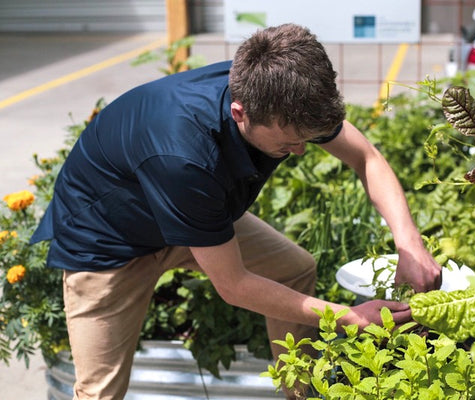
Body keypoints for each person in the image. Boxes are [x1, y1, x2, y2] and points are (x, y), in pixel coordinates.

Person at [31, 23, 441, 400]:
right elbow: (234, 285)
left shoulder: (284, 89)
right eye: (290, 142)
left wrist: (409, 245)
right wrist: (348, 316)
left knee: (294, 268)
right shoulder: (185, 155)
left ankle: (297, 391)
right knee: (99, 391)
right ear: (240, 112)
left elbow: (366, 157)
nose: (300, 151)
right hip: (108, 242)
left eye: (308, 139)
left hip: (192, 214)